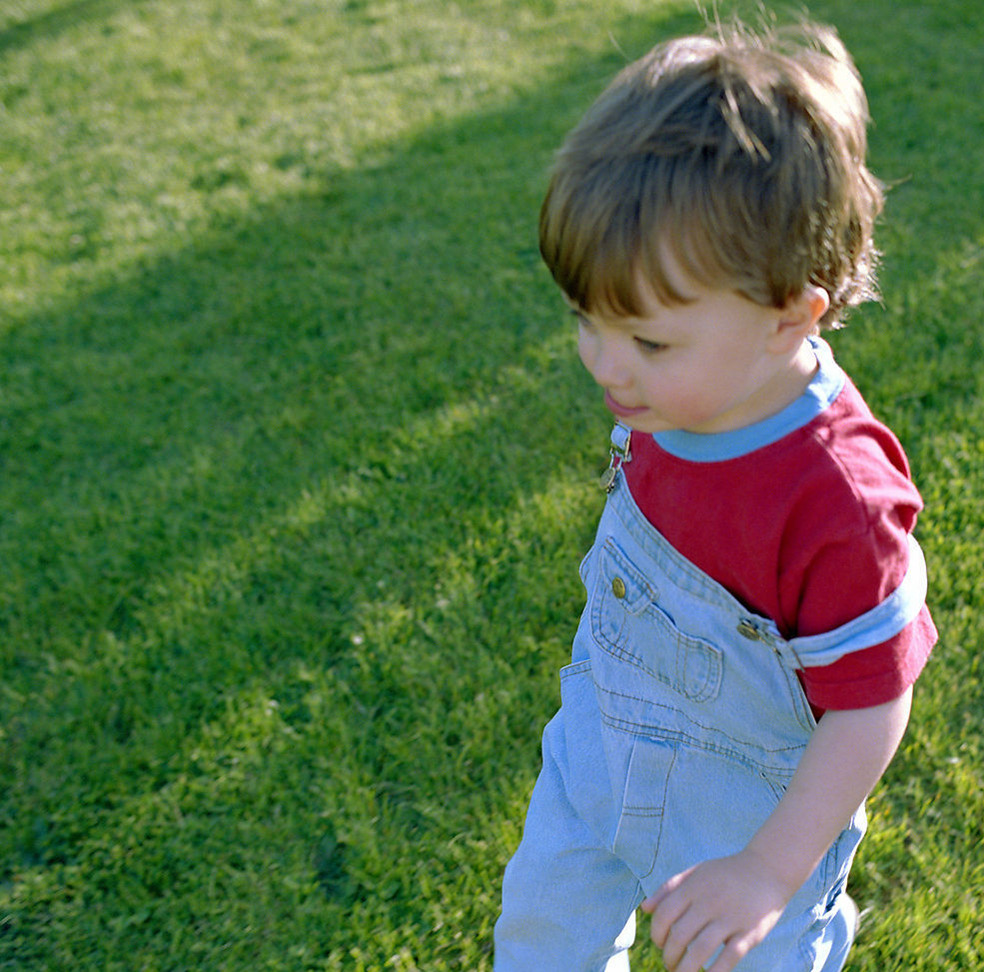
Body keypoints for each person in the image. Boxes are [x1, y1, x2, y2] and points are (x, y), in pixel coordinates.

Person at [493, 16, 937, 972]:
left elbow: (872, 704)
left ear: (789, 318)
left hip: (749, 817)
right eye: (585, 318)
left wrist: (768, 870)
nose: (604, 363)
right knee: (538, 943)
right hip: (597, 758)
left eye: (648, 341)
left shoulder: (838, 497)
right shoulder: (674, 393)